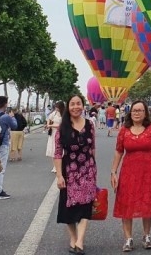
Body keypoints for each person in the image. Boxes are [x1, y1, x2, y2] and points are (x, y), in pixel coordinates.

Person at [110, 100, 151, 252]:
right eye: (134, 110)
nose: (136, 113)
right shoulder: (124, 130)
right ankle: (128, 238)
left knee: (147, 202)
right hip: (129, 172)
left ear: (145, 113)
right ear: (130, 112)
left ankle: (146, 236)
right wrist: (113, 172)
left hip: (149, 172)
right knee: (126, 202)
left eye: (140, 110)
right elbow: (118, 151)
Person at [55, 95, 97, 255]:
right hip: (69, 171)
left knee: (86, 205)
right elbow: (58, 153)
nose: (76, 107)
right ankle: (73, 238)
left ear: (83, 105)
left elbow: (93, 148)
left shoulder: (90, 125)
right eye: (72, 104)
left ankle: (80, 241)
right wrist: (59, 175)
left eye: (78, 103)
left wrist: (94, 169)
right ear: (68, 107)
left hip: (88, 169)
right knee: (69, 208)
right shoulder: (62, 127)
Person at [46, 101, 65, 170]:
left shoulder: (64, 115)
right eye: (56, 107)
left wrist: (51, 125)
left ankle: (60, 166)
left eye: (58, 107)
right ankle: (55, 166)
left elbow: (61, 125)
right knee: (52, 150)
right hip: (53, 133)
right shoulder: (54, 113)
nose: (56, 108)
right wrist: (48, 124)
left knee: (60, 150)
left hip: (60, 133)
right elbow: (49, 119)